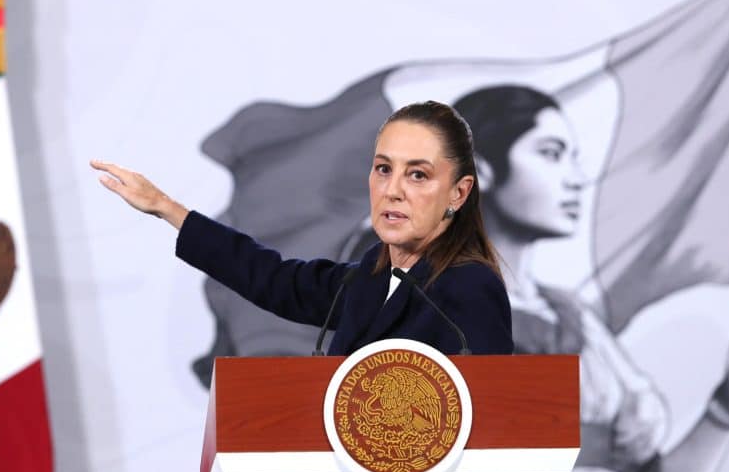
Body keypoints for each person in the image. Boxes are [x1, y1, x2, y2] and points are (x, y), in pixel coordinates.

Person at [454, 85, 729, 472]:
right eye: (551, 154)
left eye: (575, 158)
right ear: (480, 173)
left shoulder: (575, 321)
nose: (576, 178)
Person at [90, 101, 514, 357]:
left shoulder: (468, 286)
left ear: (458, 193)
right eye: (383, 169)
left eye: (418, 175)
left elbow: (488, 425)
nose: (393, 190)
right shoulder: (366, 280)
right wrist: (167, 209)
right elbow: (270, 277)